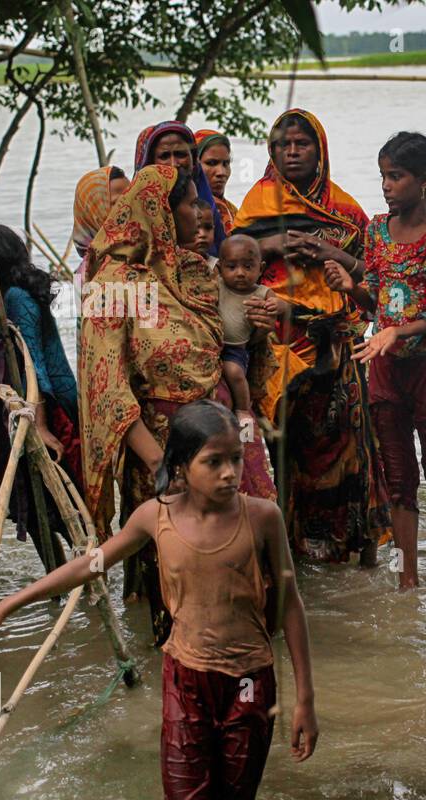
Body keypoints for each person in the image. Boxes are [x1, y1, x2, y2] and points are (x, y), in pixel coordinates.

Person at [0, 400, 318, 800]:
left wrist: (304, 698)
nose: (229, 473)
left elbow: (291, 608)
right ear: (180, 469)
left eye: (236, 459)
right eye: (214, 461)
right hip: (186, 682)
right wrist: (4, 606)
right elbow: (92, 564)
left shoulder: (263, 517)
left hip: (249, 684)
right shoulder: (154, 517)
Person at [80, 164, 279, 642]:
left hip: (224, 430)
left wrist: (269, 316)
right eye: (191, 203)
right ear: (161, 212)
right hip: (162, 446)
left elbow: (241, 338)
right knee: (178, 572)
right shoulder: (114, 284)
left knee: (253, 547)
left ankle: (253, 670)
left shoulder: (191, 270)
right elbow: (108, 387)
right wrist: (165, 467)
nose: (201, 211)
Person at [328, 132, 426, 589]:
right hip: (387, 369)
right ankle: (408, 583)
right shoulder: (378, 229)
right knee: (398, 481)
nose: (385, 185)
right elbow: (376, 296)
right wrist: (349, 286)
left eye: (395, 176)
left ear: (425, 180)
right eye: (383, 176)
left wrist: (399, 329)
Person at [233, 108, 389, 566]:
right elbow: (229, 265)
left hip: (335, 347)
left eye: (302, 144)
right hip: (276, 348)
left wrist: (327, 251)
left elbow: (377, 280)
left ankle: (345, 552)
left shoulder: (344, 209)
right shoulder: (256, 205)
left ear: (319, 150)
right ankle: (288, 551)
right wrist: (272, 246)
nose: (293, 152)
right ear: (271, 151)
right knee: (283, 452)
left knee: (345, 450)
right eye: (283, 145)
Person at [0, 224, 82, 485]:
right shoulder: (16, 294)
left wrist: (41, 427)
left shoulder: (18, 298)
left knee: (65, 489)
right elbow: (12, 323)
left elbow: (34, 364)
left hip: (53, 406)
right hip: (60, 398)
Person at [135, 121, 226, 257]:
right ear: (151, 162)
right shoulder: (136, 209)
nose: (173, 164)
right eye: (164, 156)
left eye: (180, 154)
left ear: (194, 159)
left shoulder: (209, 206)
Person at [216, 234, 281, 422]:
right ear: (220, 268)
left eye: (248, 266)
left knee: (233, 372)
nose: (240, 273)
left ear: (260, 269)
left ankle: (243, 408)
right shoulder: (217, 285)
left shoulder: (260, 292)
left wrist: (277, 306)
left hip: (235, 348)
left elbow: (282, 305)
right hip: (213, 344)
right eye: (231, 267)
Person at [70, 166, 130, 289]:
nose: (129, 207)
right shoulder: (91, 275)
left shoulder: (137, 251)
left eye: (130, 198)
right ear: (94, 212)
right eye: (118, 202)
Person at [195, 129, 238, 234]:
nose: (221, 172)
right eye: (211, 163)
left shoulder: (234, 212)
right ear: (194, 165)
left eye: (226, 163)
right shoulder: (185, 210)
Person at [190, 197, 217, 266]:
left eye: (208, 228)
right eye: (196, 227)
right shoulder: (173, 267)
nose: (202, 234)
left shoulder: (218, 266)